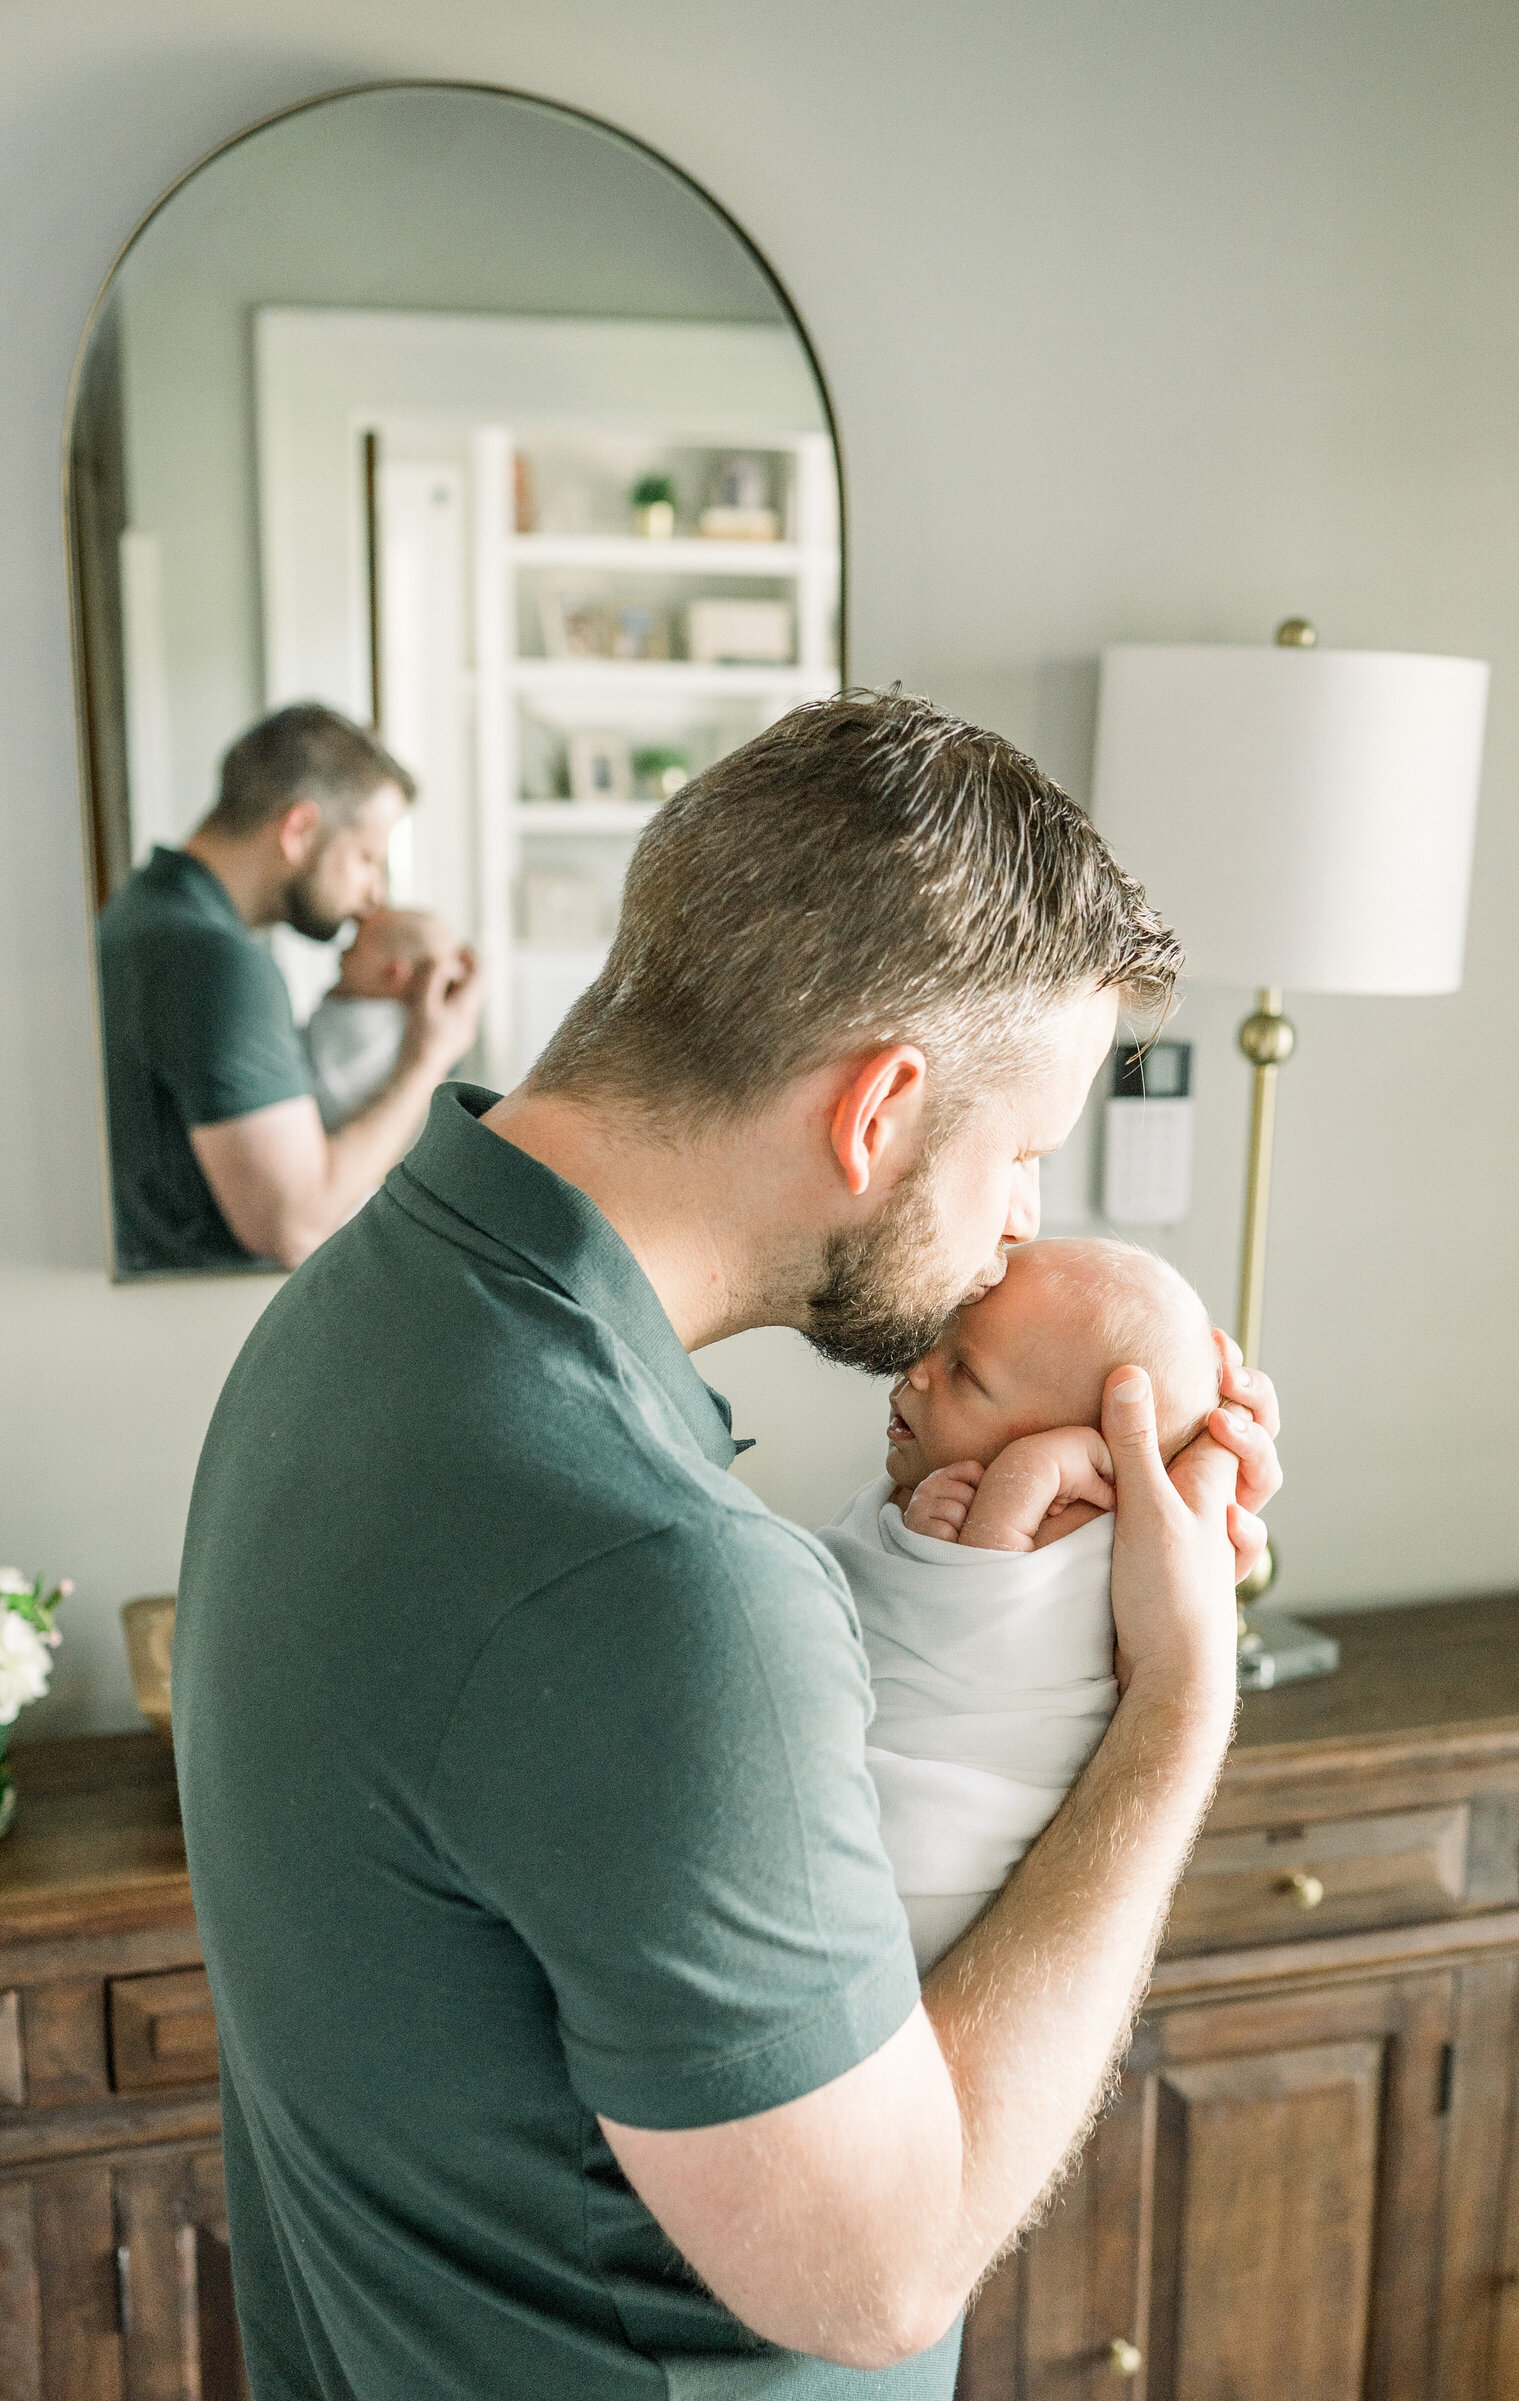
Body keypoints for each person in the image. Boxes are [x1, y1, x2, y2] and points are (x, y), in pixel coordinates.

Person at [173, 689, 1281, 2400]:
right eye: (1023, 1156)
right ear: (877, 1110)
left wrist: (1044, 1574)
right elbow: (878, 2271)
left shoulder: (364, 1304)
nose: (1019, 1229)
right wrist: (1176, 1709)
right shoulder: (658, 1579)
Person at [819, 1237, 1221, 1971]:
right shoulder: (933, 1493)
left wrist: (1029, 1476)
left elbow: (979, 1623)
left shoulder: (1088, 1533)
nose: (916, 1369)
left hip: (936, 1857)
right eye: (936, 1339)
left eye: (963, 1371)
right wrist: (915, 1531)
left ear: (1086, 1448)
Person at [96, 702, 481, 1273]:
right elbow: (295, 1226)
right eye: (367, 858)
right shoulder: (216, 962)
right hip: (190, 1337)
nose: (375, 895)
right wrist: (429, 1060)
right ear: (299, 829)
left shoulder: (140, 910)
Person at [304, 906, 466, 1133]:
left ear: (393, 974)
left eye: (354, 946)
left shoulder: (365, 1023)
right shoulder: (410, 1031)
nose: (342, 954)